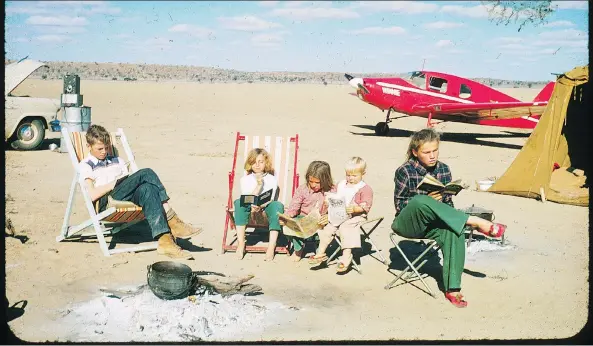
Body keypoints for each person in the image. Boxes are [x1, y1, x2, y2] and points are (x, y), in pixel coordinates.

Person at [391, 128, 506, 308]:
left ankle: (452, 288)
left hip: (432, 223)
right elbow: (400, 206)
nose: (432, 156)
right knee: (420, 200)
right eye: (426, 152)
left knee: (454, 229)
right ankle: (474, 221)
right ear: (415, 152)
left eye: (435, 150)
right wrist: (427, 201)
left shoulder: (444, 169)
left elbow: (448, 207)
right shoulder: (404, 171)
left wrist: (441, 201)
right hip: (408, 222)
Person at [79, 124, 202, 259]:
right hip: (107, 200)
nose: (104, 151)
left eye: (107, 147)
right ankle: (172, 218)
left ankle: (165, 242)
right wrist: (112, 184)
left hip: (125, 195)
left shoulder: (117, 160)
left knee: (148, 189)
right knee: (146, 172)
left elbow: (131, 181)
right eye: (100, 148)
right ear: (88, 146)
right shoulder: (86, 165)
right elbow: (92, 195)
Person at [309, 157, 374, 274]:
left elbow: (366, 206)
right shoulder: (341, 184)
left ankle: (346, 256)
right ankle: (321, 252)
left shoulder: (364, 189)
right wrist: (328, 200)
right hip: (339, 213)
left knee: (346, 227)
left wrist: (355, 208)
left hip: (356, 216)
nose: (350, 178)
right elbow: (333, 195)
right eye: (348, 175)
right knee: (328, 227)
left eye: (354, 176)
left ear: (363, 174)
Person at [233, 148, 284, 261]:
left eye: (260, 162)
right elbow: (246, 198)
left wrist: (260, 206)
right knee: (238, 203)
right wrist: (258, 186)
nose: (257, 165)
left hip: (266, 208)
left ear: (266, 163)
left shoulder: (272, 179)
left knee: (277, 205)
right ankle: (241, 244)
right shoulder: (245, 180)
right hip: (249, 208)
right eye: (254, 162)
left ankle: (271, 246)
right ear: (250, 163)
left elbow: (270, 198)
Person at [283, 160, 336, 262]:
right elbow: (294, 207)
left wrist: (329, 216)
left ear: (325, 180)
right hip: (304, 218)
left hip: (322, 221)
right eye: (310, 181)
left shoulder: (332, 191)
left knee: (330, 225)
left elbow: (337, 210)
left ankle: (320, 250)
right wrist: (286, 216)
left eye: (317, 182)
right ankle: (298, 248)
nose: (313, 185)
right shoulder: (303, 189)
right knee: (286, 224)